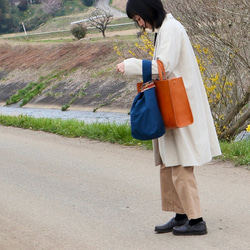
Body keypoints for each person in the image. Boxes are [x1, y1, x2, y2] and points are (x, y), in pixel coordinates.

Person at [116, 0, 222, 236]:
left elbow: (163, 66)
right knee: (169, 161)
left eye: (138, 19)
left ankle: (196, 220)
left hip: (179, 105)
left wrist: (131, 64)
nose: (140, 24)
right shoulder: (165, 29)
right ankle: (181, 214)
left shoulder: (171, 30)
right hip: (173, 104)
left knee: (181, 163)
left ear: (145, 11)